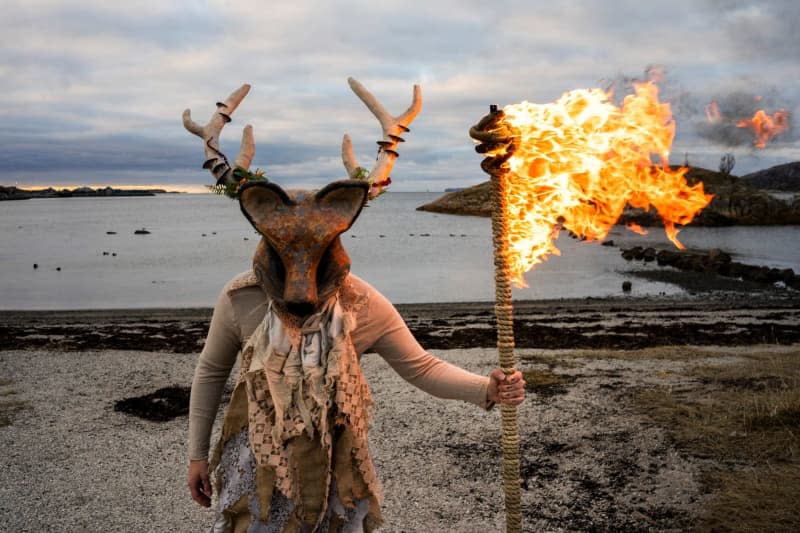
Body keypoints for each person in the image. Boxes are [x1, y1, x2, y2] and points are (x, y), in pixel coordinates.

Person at [183, 80, 525, 532]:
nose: (302, 288)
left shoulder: (361, 303)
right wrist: (196, 455)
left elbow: (420, 366)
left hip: (336, 471)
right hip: (255, 467)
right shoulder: (240, 297)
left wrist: (488, 388)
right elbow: (210, 371)